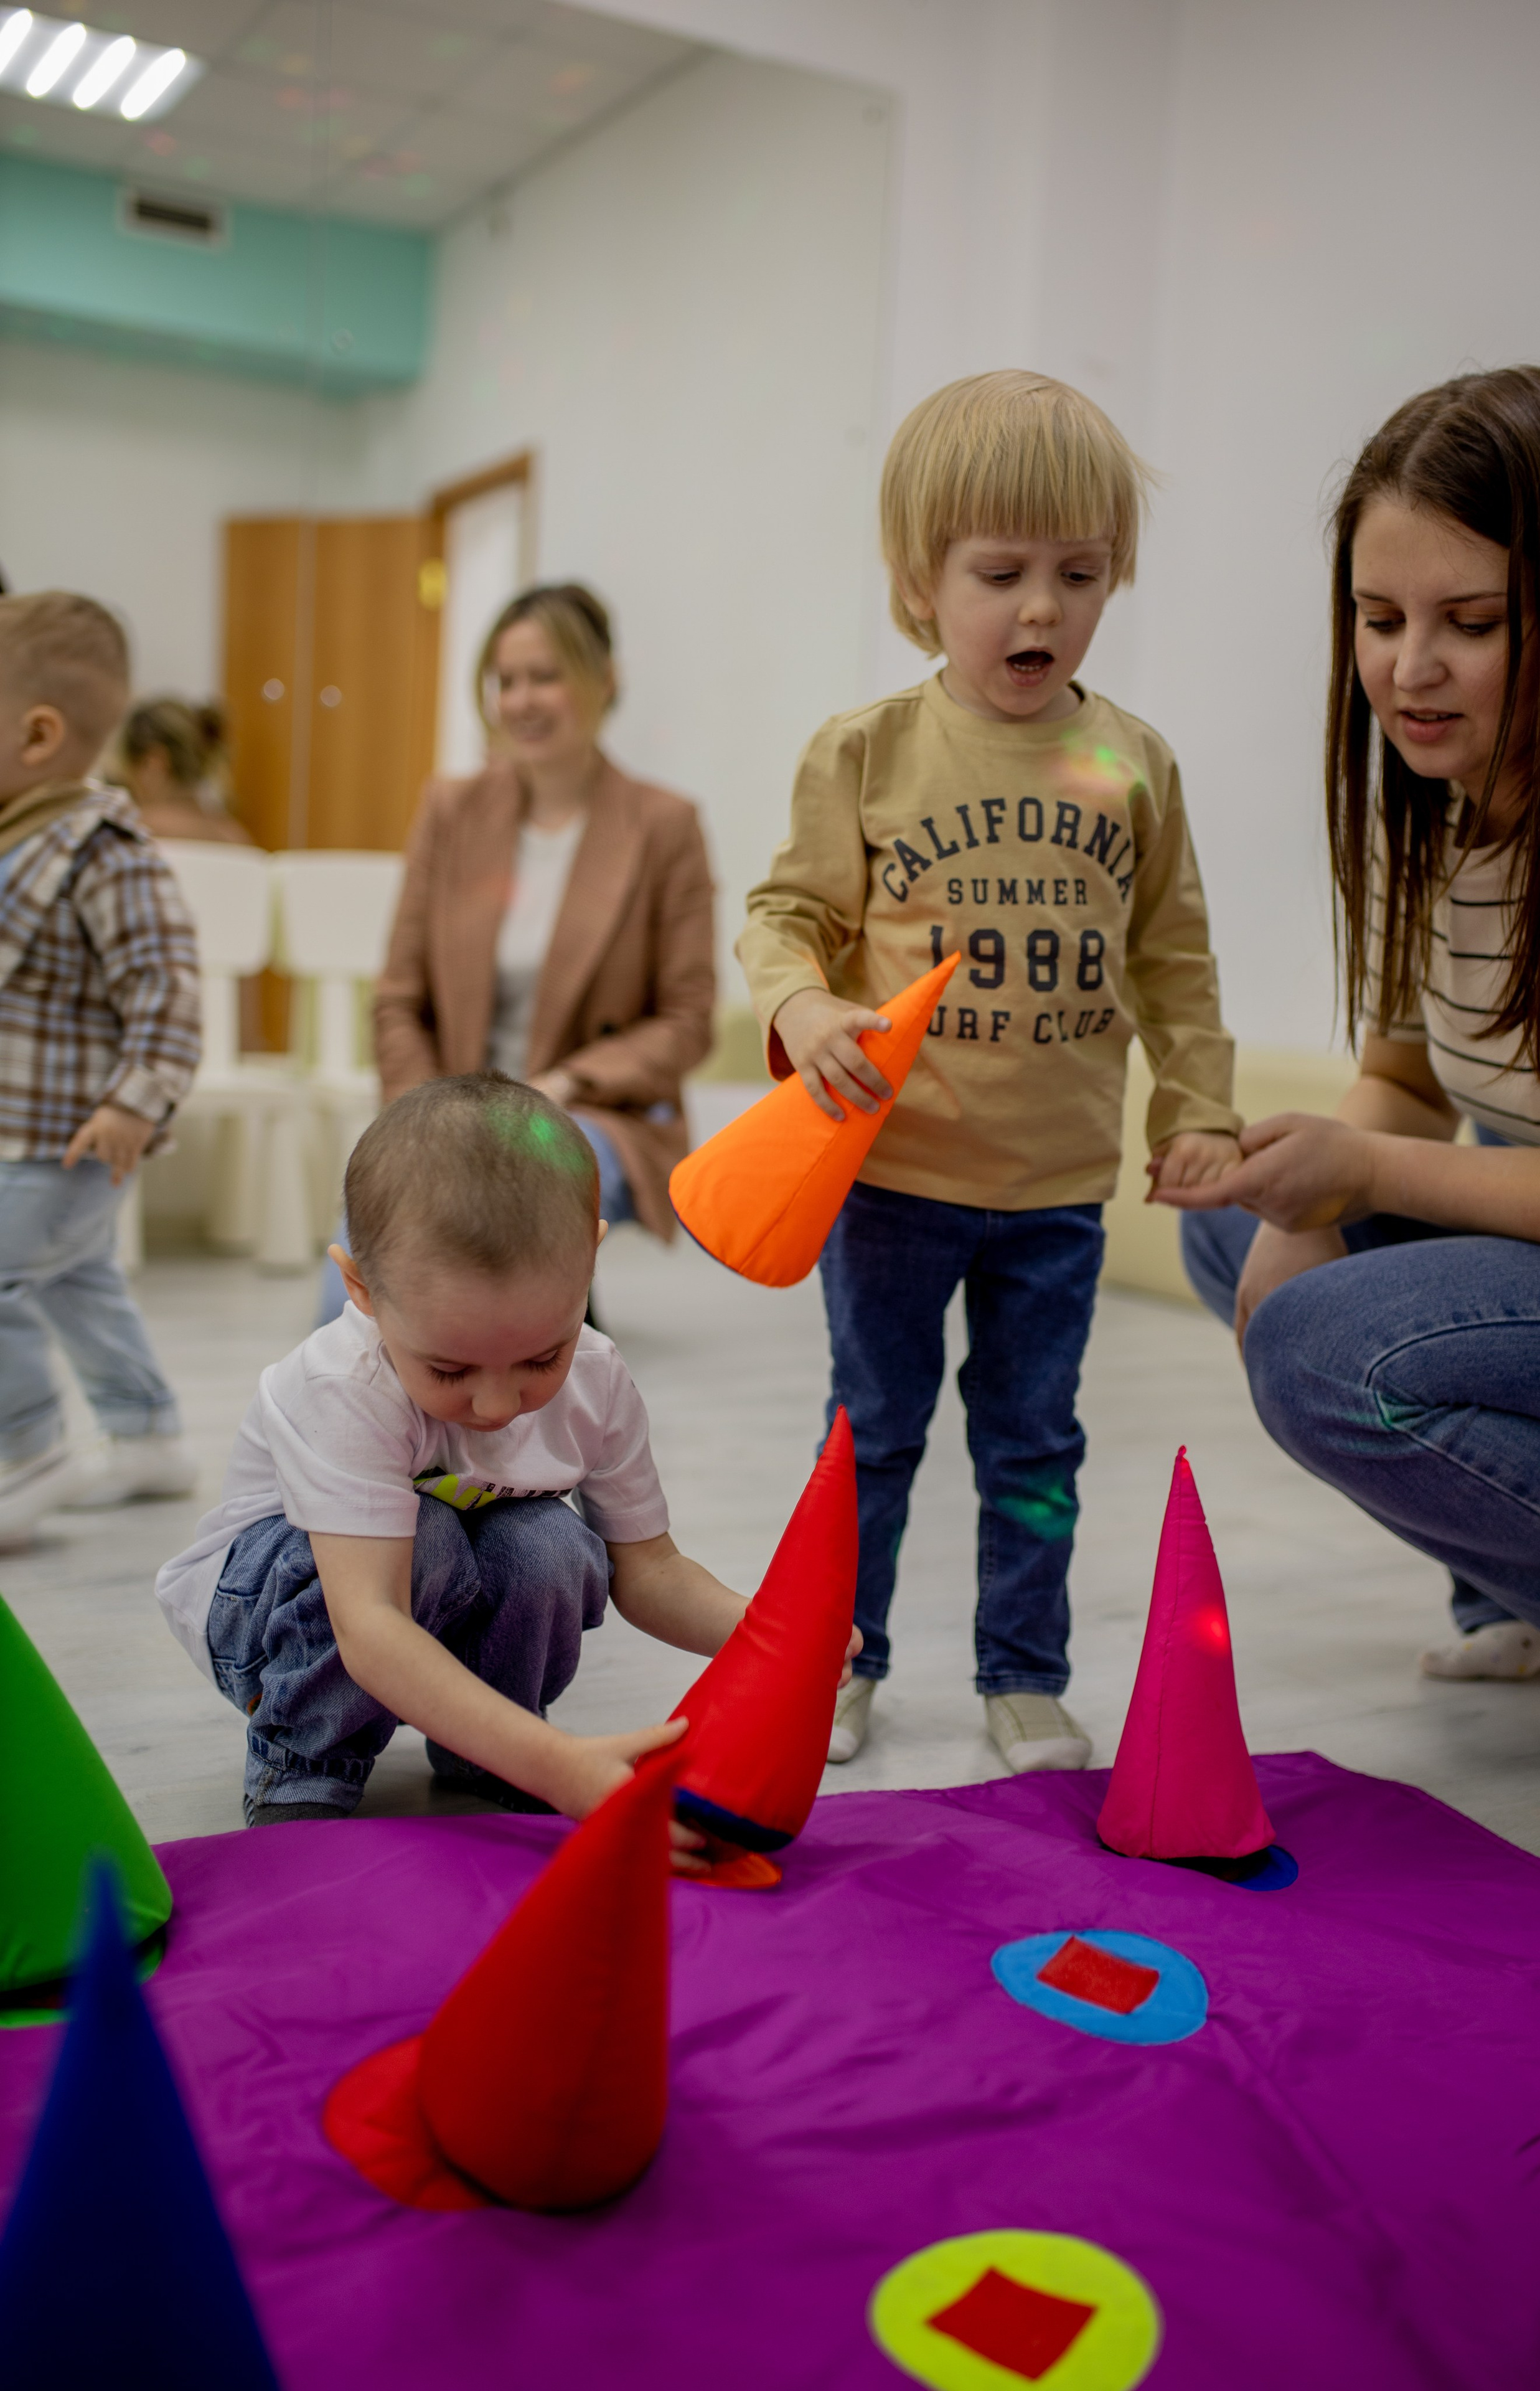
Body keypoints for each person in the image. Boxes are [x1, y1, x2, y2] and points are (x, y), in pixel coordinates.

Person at [739, 370, 1242, 1775]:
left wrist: (1199, 1109)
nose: (1039, 608)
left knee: (1033, 1447)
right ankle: (843, 1658)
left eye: (1076, 575)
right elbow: (782, 916)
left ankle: (1023, 1672)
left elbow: (1174, 963)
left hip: (1055, 1194)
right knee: (872, 1439)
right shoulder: (866, 752)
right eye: (999, 572)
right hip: (893, 1176)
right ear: (918, 585)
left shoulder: (1132, 764)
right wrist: (802, 1006)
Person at [1158, 366, 1540, 1768]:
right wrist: (1309, 1196)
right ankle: (1520, 1594)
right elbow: (1400, 1081)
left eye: (1468, 624)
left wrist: (1362, 1181)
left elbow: (1405, 1145)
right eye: (1376, 617)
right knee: (1244, 1244)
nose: (1408, 669)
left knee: (1324, 1342)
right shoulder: (1439, 811)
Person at [155, 1074, 857, 1841]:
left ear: (589, 1260)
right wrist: (563, 1765)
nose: (496, 1406)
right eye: (449, 1371)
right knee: (429, 1540)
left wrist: (776, 1636)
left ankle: (491, 1751)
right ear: (360, 1287)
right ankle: (305, 1760)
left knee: (549, 1543)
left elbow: (649, 1571)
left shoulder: (598, 1379)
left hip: (427, 1595)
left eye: (540, 1358)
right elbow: (370, 1625)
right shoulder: (340, 1385)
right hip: (268, 1620)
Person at [373, 581, 714, 1248]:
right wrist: (423, 1116)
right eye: (506, 681)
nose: (521, 701)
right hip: (450, 1109)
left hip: (587, 1111)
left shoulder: (664, 826)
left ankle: (534, 1334)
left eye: (545, 677)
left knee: (507, 1217)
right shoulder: (450, 810)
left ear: (605, 680)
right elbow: (398, 1001)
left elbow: (687, 1020)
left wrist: (566, 1081)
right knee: (360, 1298)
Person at [0, 592, 201, 1544]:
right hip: (26, 1134)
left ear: (38, 735)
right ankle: (147, 1431)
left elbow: (168, 989)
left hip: (65, 1138)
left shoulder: (103, 852)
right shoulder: (16, 835)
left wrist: (136, 1102)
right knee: (79, 1281)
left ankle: (26, 1448)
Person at [113, 697, 250, 846]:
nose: (131, 788)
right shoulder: (238, 838)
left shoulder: (132, 830)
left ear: (153, 764)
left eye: (129, 774)